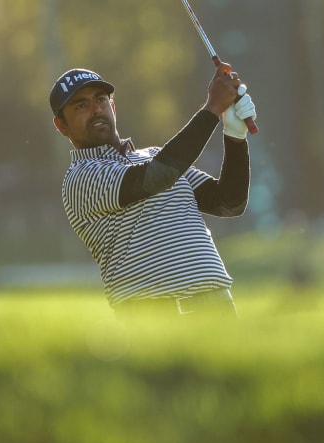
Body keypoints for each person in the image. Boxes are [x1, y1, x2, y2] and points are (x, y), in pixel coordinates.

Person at [50, 64, 256, 318]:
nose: (95, 110)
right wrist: (213, 107)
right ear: (62, 126)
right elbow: (158, 176)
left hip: (217, 305)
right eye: (80, 105)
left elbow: (229, 202)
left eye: (101, 100)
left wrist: (235, 137)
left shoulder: (154, 156)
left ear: (113, 107)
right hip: (152, 313)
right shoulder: (81, 177)